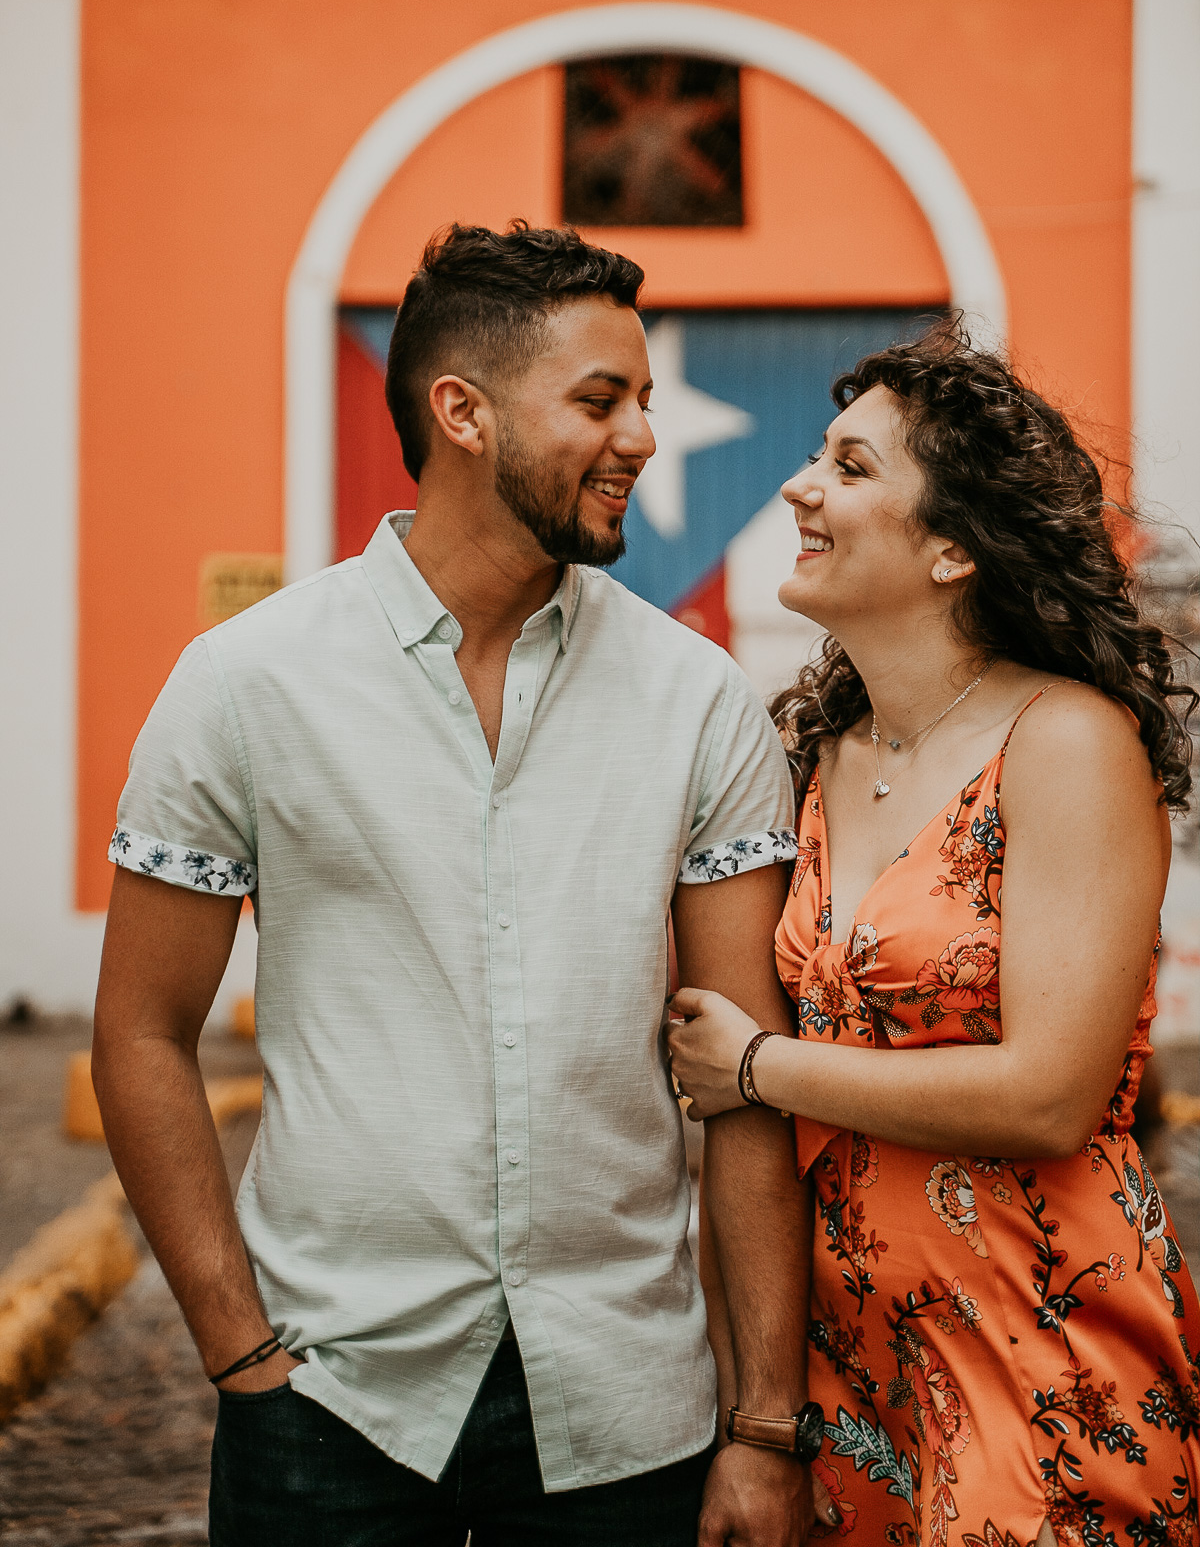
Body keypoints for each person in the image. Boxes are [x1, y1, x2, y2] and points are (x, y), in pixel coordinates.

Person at [92, 222, 833, 1547]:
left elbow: (745, 1083)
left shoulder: (698, 701)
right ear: (464, 413)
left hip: (633, 1407)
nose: (644, 439)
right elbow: (143, 1034)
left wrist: (765, 1425)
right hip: (330, 1400)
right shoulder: (246, 682)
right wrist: (239, 1356)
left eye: (648, 402)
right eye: (601, 400)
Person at [669, 322, 1200, 1545]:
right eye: (819, 456)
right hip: (850, 1364)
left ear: (955, 546)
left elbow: (1048, 1096)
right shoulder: (811, 758)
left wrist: (755, 1069)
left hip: (1037, 1333)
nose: (800, 486)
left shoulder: (1064, 744)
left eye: (853, 469)